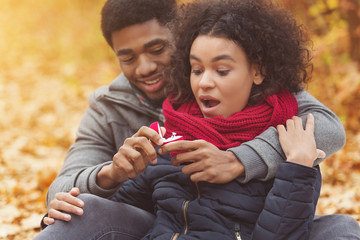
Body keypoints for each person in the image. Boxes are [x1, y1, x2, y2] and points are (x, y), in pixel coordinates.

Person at [32, 0, 360, 239]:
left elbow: (325, 127)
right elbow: (64, 189)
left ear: (181, 37)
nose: (144, 67)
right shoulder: (110, 108)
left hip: (259, 224)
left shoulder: (266, 99)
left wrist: (239, 160)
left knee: (342, 228)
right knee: (81, 210)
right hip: (160, 224)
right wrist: (111, 174)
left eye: (157, 48)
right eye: (128, 57)